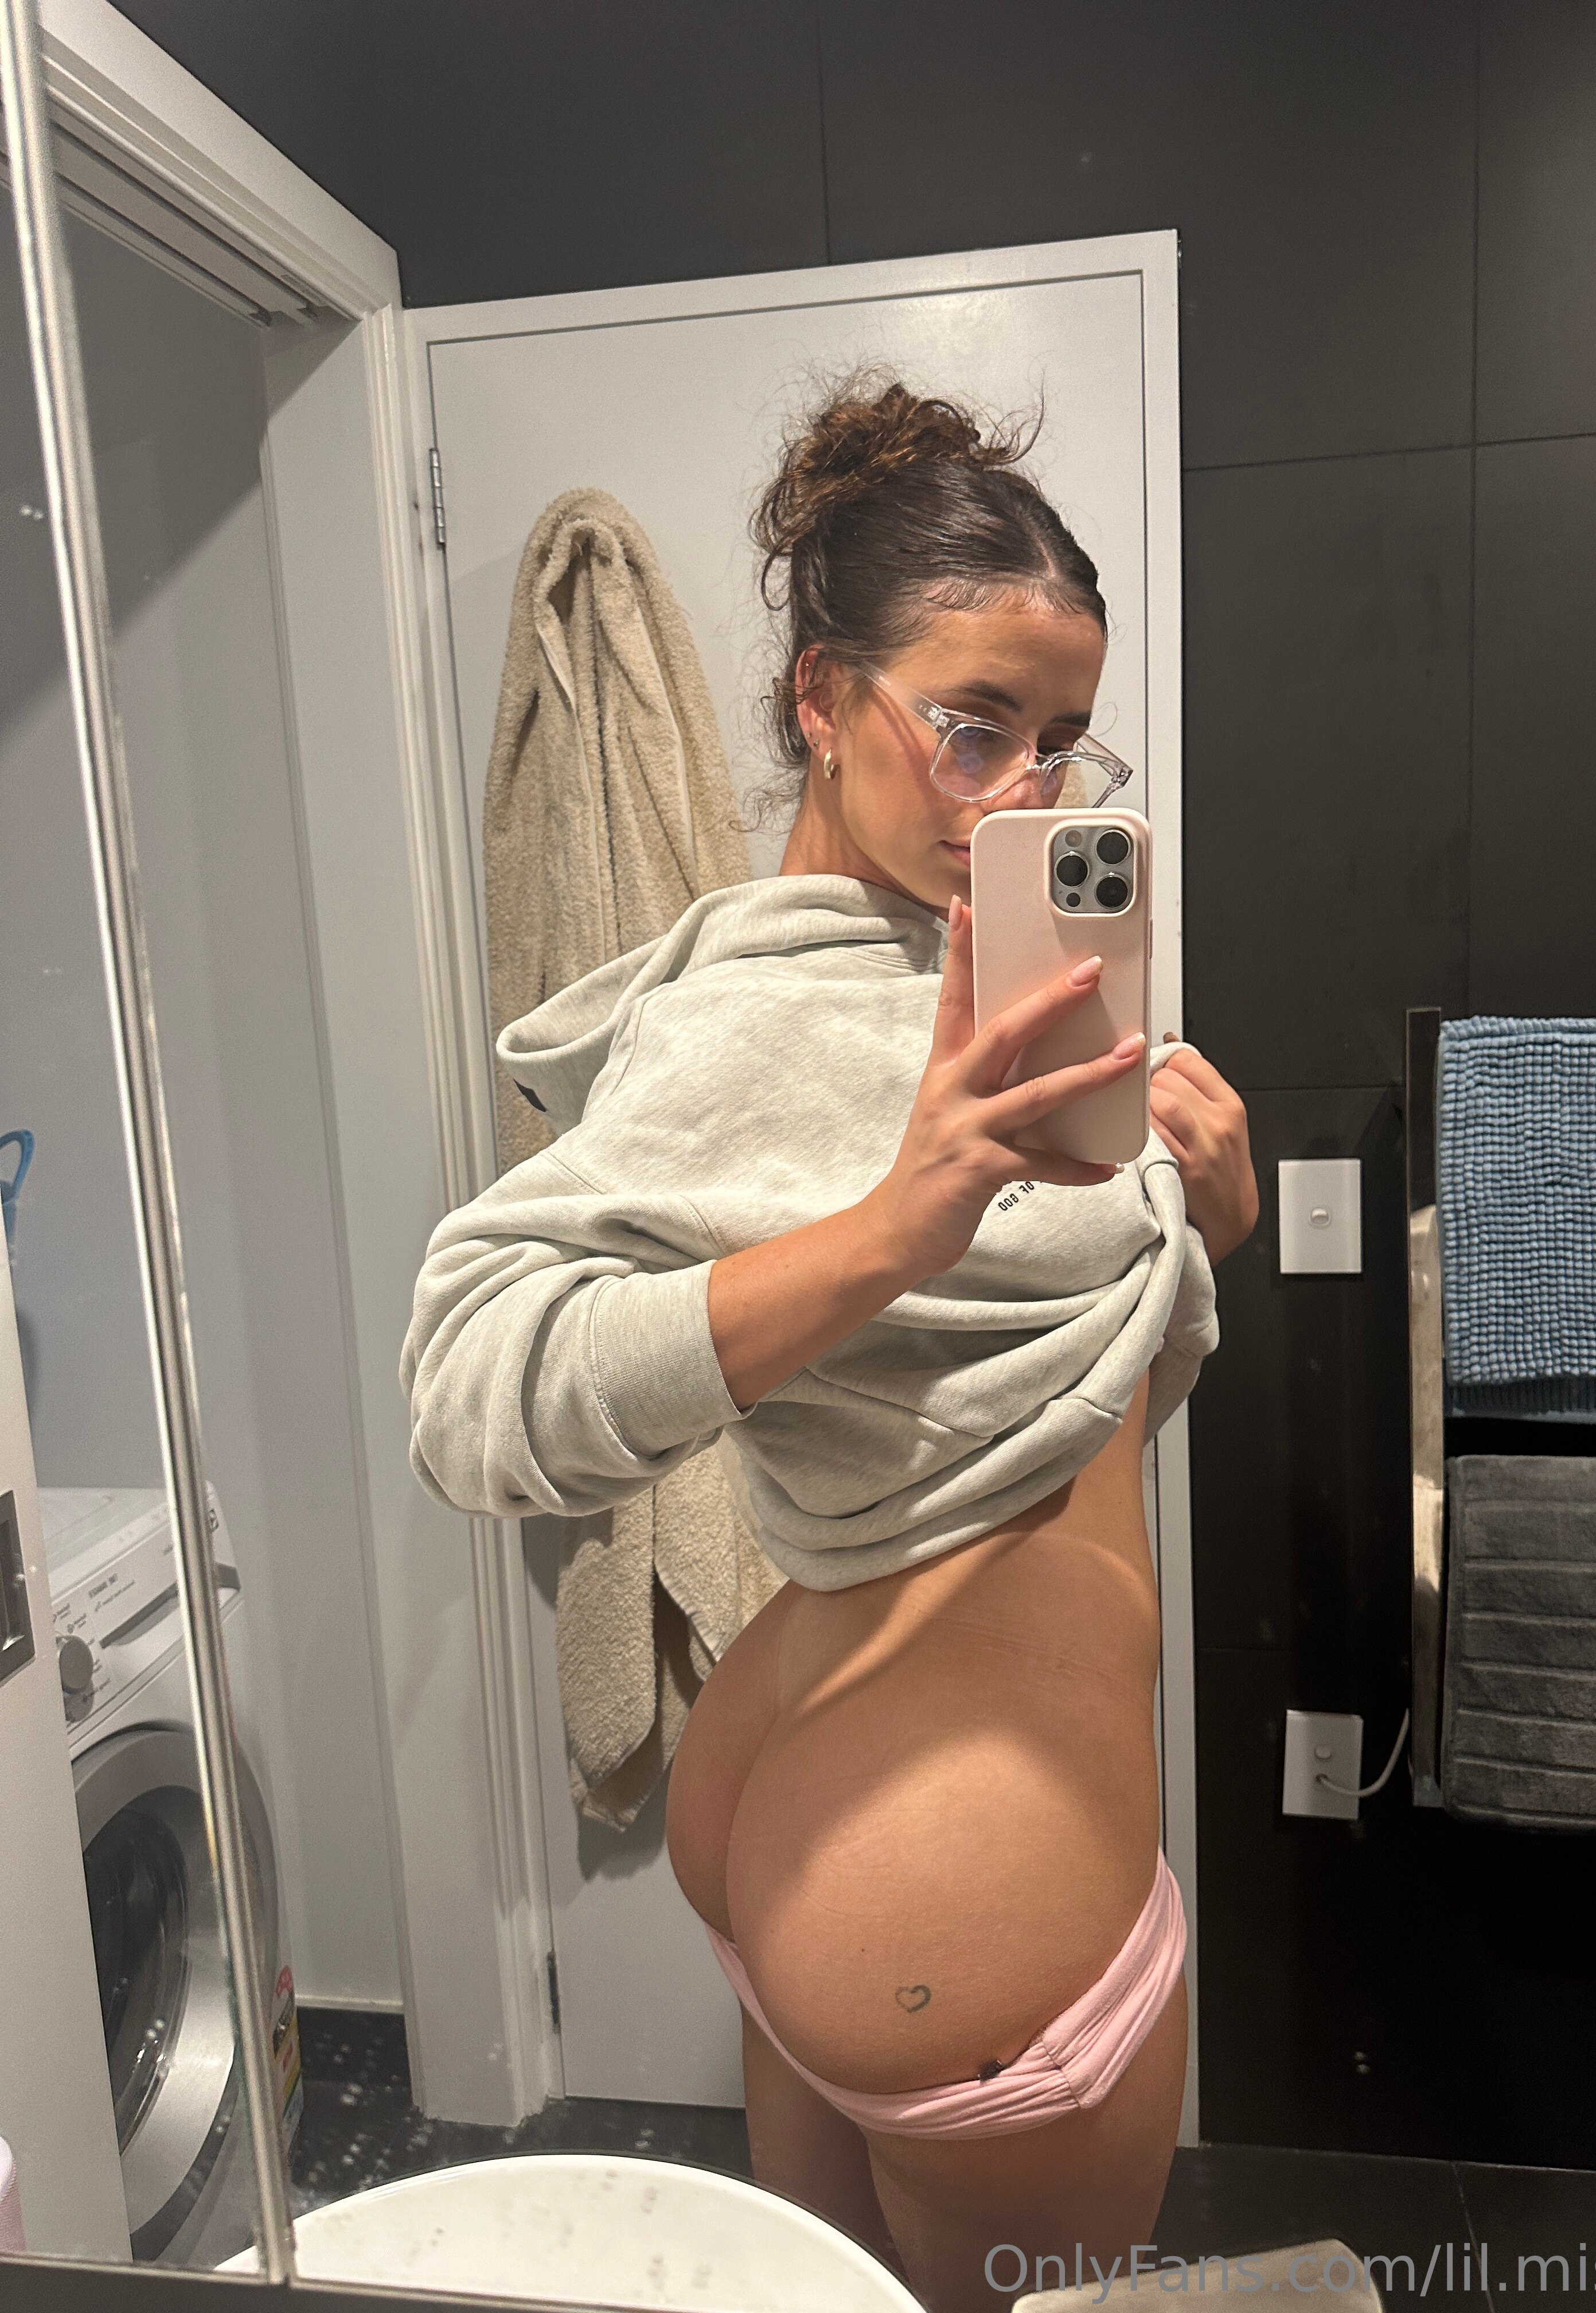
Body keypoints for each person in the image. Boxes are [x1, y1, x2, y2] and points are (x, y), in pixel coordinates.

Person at [402, 378, 1258, 2313]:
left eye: (1062, 740)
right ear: (820, 701)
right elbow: (470, 1390)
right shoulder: (760, 1022)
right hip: (953, 1861)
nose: (1026, 793)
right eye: (973, 726)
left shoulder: (965, 991)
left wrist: (1198, 1223)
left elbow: (1041, 1393)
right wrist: (890, 1232)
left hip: (843, 1787)